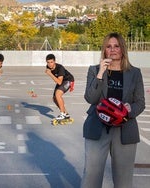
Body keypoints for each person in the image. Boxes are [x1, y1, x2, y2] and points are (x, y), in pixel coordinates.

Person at [81, 33, 145, 188]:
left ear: (122, 48)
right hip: (97, 127)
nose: (113, 49)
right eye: (108, 46)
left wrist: (129, 110)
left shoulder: (134, 73)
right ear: (104, 50)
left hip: (125, 130)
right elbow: (90, 98)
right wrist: (100, 74)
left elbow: (140, 103)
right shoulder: (94, 70)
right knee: (91, 177)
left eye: (116, 46)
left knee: (124, 181)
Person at [45, 53, 74, 120]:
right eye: (48, 62)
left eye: (51, 62)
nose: (50, 64)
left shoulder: (60, 68)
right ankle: (66, 114)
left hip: (68, 80)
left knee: (58, 94)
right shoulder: (48, 67)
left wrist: (49, 74)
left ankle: (62, 114)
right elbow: (59, 81)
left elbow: (59, 82)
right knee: (54, 98)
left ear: (55, 61)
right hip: (61, 80)